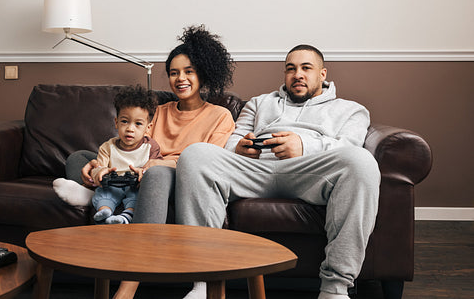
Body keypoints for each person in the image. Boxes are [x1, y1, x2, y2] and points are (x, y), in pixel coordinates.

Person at [174, 44, 381, 299]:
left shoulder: (351, 110)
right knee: (195, 154)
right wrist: (240, 147)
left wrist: (304, 146)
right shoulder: (259, 103)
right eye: (291, 69)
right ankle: (202, 284)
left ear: (323, 74)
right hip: (255, 169)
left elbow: (348, 146)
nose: (298, 75)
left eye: (306, 68)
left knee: (361, 161)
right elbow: (231, 140)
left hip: (310, 172)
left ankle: (335, 289)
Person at [55, 25, 236, 299]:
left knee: (158, 174)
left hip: (176, 180)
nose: (180, 78)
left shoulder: (220, 115)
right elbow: (130, 146)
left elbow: (208, 163)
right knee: (79, 157)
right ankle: (96, 191)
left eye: (188, 71)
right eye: (174, 73)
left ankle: (130, 284)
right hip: (135, 172)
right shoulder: (157, 111)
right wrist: (102, 165)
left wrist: (155, 166)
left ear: (203, 73)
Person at [91, 85, 161, 224]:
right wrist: (100, 172)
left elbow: (157, 171)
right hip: (112, 186)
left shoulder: (151, 147)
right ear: (116, 123)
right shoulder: (108, 146)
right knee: (102, 194)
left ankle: (126, 215)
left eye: (138, 124)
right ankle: (104, 212)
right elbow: (98, 167)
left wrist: (144, 172)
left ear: (148, 127)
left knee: (138, 197)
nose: (130, 129)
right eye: (124, 121)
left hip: (135, 186)